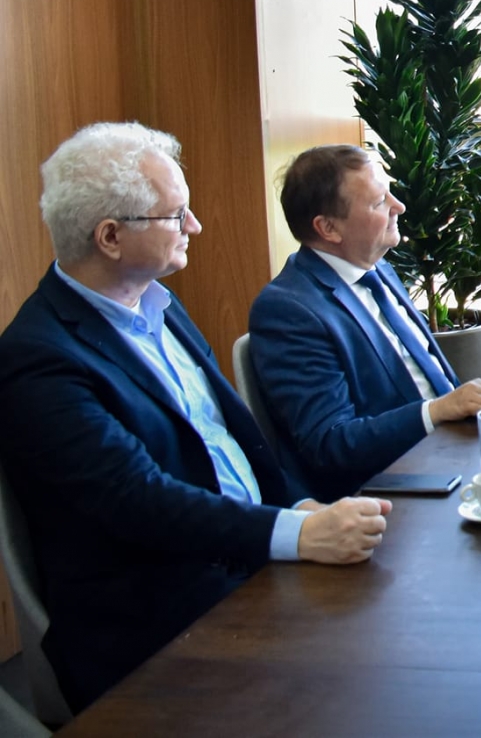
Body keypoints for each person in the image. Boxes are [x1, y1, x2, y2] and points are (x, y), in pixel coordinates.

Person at [0, 124, 390, 712]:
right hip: (159, 620)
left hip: (244, 561)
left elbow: (233, 444)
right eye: (176, 214)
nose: (196, 226)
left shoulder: (159, 303)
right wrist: (296, 534)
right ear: (111, 237)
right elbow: (138, 501)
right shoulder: (38, 358)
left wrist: (300, 507)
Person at [251, 145, 481, 502]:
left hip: (453, 452)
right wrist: (437, 411)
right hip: (391, 491)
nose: (398, 206)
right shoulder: (289, 310)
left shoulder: (377, 269)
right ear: (328, 228)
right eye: (378, 203)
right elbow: (330, 443)